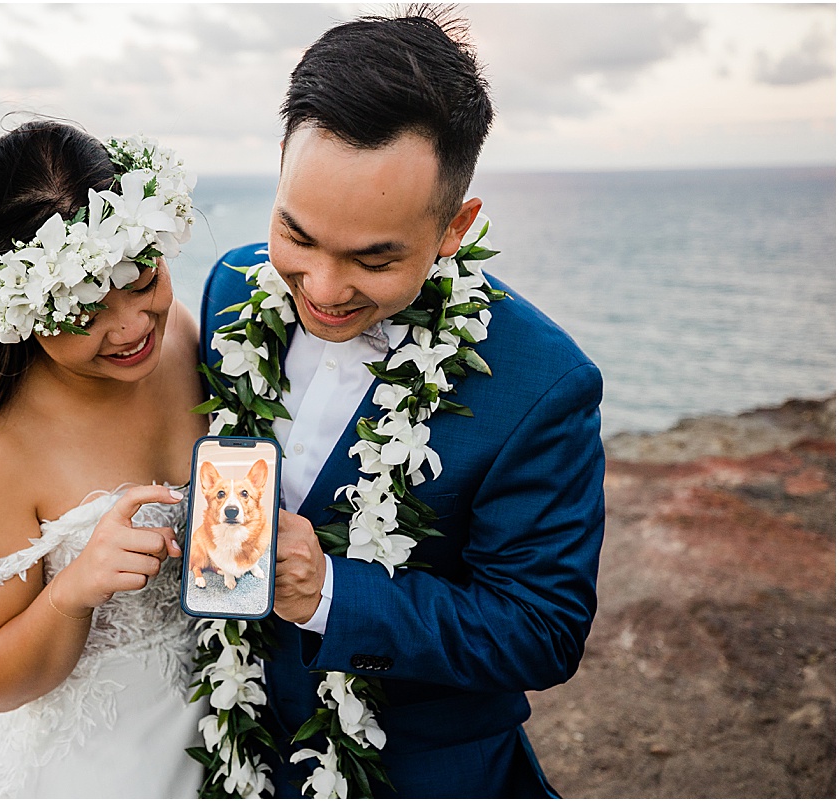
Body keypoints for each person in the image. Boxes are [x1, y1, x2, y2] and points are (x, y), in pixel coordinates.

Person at [197, 11, 605, 798]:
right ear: (282, 166)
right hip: (230, 750)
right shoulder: (227, 288)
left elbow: (542, 632)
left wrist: (330, 595)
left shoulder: (544, 386)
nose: (321, 288)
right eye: (298, 235)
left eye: (373, 259)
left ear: (456, 226)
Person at [0, 119, 208, 798]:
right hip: (97, 769)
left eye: (141, 277)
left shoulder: (180, 335)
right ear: (17, 310)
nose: (130, 327)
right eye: (81, 314)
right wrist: (75, 589)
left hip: (233, 729)